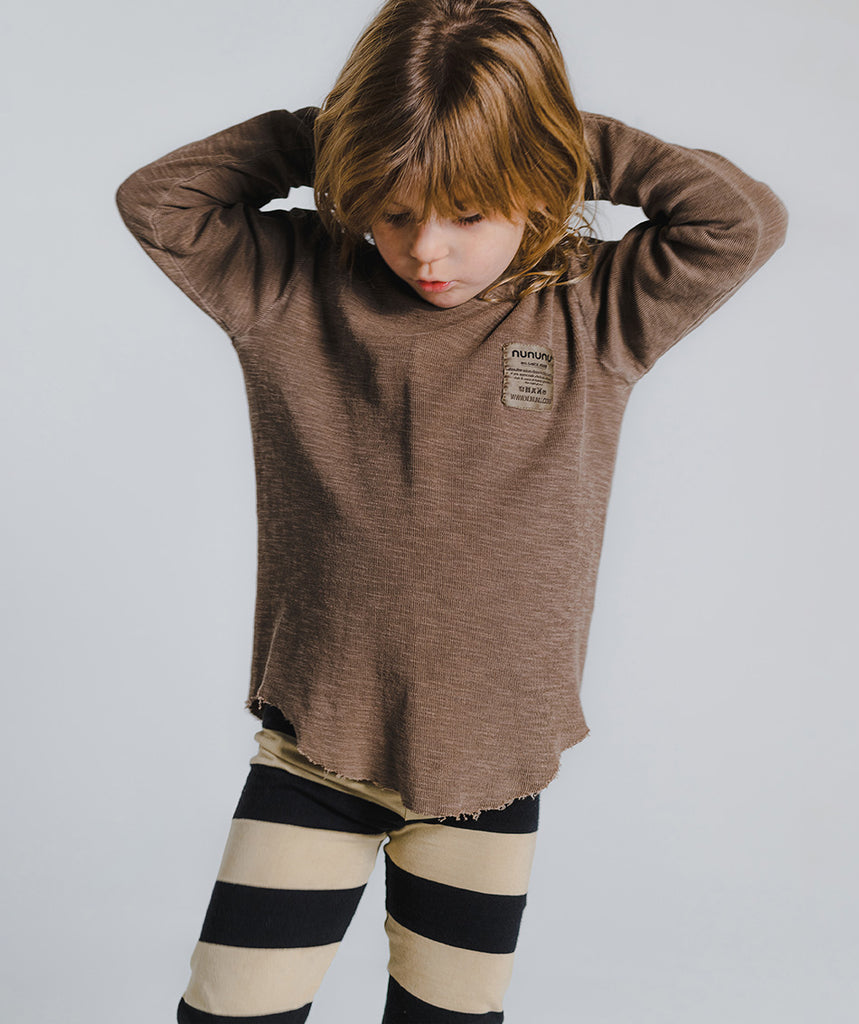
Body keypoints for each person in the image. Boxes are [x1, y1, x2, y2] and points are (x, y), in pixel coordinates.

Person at [115, 1, 788, 1020]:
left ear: (539, 184)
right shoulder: (288, 285)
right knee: (233, 1011)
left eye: (469, 212)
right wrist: (348, 134)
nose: (427, 249)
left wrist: (538, 135)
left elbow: (737, 220)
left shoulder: (593, 308)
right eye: (392, 212)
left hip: (490, 766)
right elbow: (159, 200)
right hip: (316, 750)